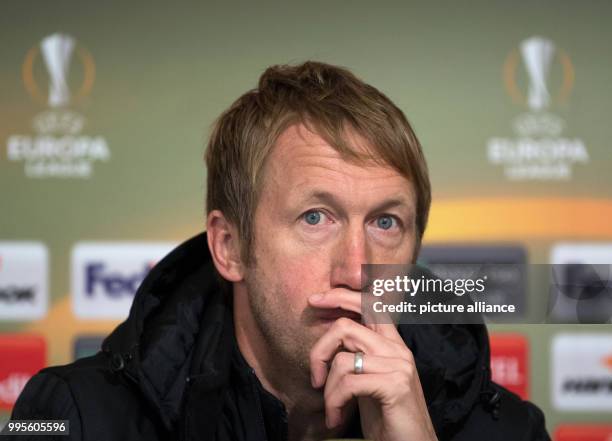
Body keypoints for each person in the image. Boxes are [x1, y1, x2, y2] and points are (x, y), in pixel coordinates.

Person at [10, 61, 550, 441]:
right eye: (316, 217)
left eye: (386, 221)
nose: (358, 268)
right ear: (230, 246)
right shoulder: (75, 418)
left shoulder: (511, 430)